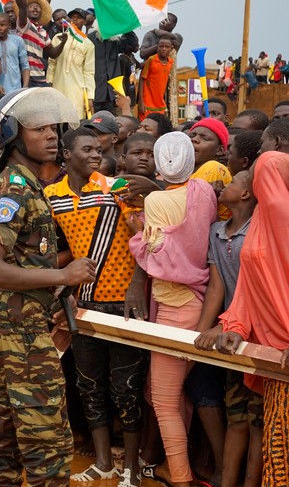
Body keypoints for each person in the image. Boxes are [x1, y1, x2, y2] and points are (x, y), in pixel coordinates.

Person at [0, 88, 96, 486]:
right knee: (47, 439)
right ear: (13, 134)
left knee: (3, 434)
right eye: (38, 128)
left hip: (11, 320)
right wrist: (63, 276)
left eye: (53, 127)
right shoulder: (16, 189)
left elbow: (20, 261)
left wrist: (51, 283)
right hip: (18, 327)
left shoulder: (21, 184)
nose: (51, 135)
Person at [44, 126, 145, 486]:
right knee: (89, 385)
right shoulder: (50, 196)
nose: (95, 155)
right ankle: (104, 462)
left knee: (127, 388)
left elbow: (144, 235)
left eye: (97, 151)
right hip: (83, 303)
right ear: (66, 155)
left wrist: (137, 284)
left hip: (124, 304)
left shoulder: (115, 187)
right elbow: (60, 250)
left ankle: (130, 471)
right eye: (86, 149)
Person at [126, 132, 217, 487]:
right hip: (200, 302)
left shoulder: (156, 203)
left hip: (174, 308)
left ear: (160, 167)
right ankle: (177, 466)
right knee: (178, 392)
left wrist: (137, 234)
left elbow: (159, 259)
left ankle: (179, 475)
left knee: (163, 401)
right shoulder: (203, 191)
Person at [215, 151, 289, 486]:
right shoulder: (260, 221)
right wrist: (236, 326)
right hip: (277, 358)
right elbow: (249, 283)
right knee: (278, 452)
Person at [193, 170, 263, 487]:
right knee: (236, 415)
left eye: (234, 182)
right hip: (230, 335)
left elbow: (257, 289)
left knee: (259, 421)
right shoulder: (216, 232)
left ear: (247, 194)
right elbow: (217, 286)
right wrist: (199, 331)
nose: (225, 184)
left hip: (259, 336)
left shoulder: (261, 233)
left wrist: (222, 325)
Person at [9, 0, 67, 88]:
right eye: (31, 6)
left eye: (38, 7)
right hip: (25, 76)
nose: (35, 8)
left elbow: (53, 54)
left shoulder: (43, 32)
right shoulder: (24, 25)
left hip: (40, 77)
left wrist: (63, 42)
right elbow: (22, 5)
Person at [47, 8, 93, 118]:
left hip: (77, 92)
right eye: (72, 18)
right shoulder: (58, 38)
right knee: (58, 119)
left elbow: (89, 72)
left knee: (76, 121)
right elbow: (52, 64)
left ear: (85, 22)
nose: (75, 20)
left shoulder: (88, 44)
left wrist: (90, 97)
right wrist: (49, 85)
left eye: (78, 18)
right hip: (58, 88)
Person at [138, 37, 175, 119]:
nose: (164, 49)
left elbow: (165, 79)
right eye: (161, 46)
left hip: (160, 104)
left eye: (167, 47)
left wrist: (176, 87)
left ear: (171, 48)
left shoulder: (170, 62)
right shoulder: (151, 60)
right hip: (147, 103)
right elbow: (142, 78)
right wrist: (141, 101)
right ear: (157, 47)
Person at [0, 13, 29, 94]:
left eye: (2, 25)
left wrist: (25, 88)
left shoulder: (17, 41)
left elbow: (25, 65)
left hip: (15, 88)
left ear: (9, 25)